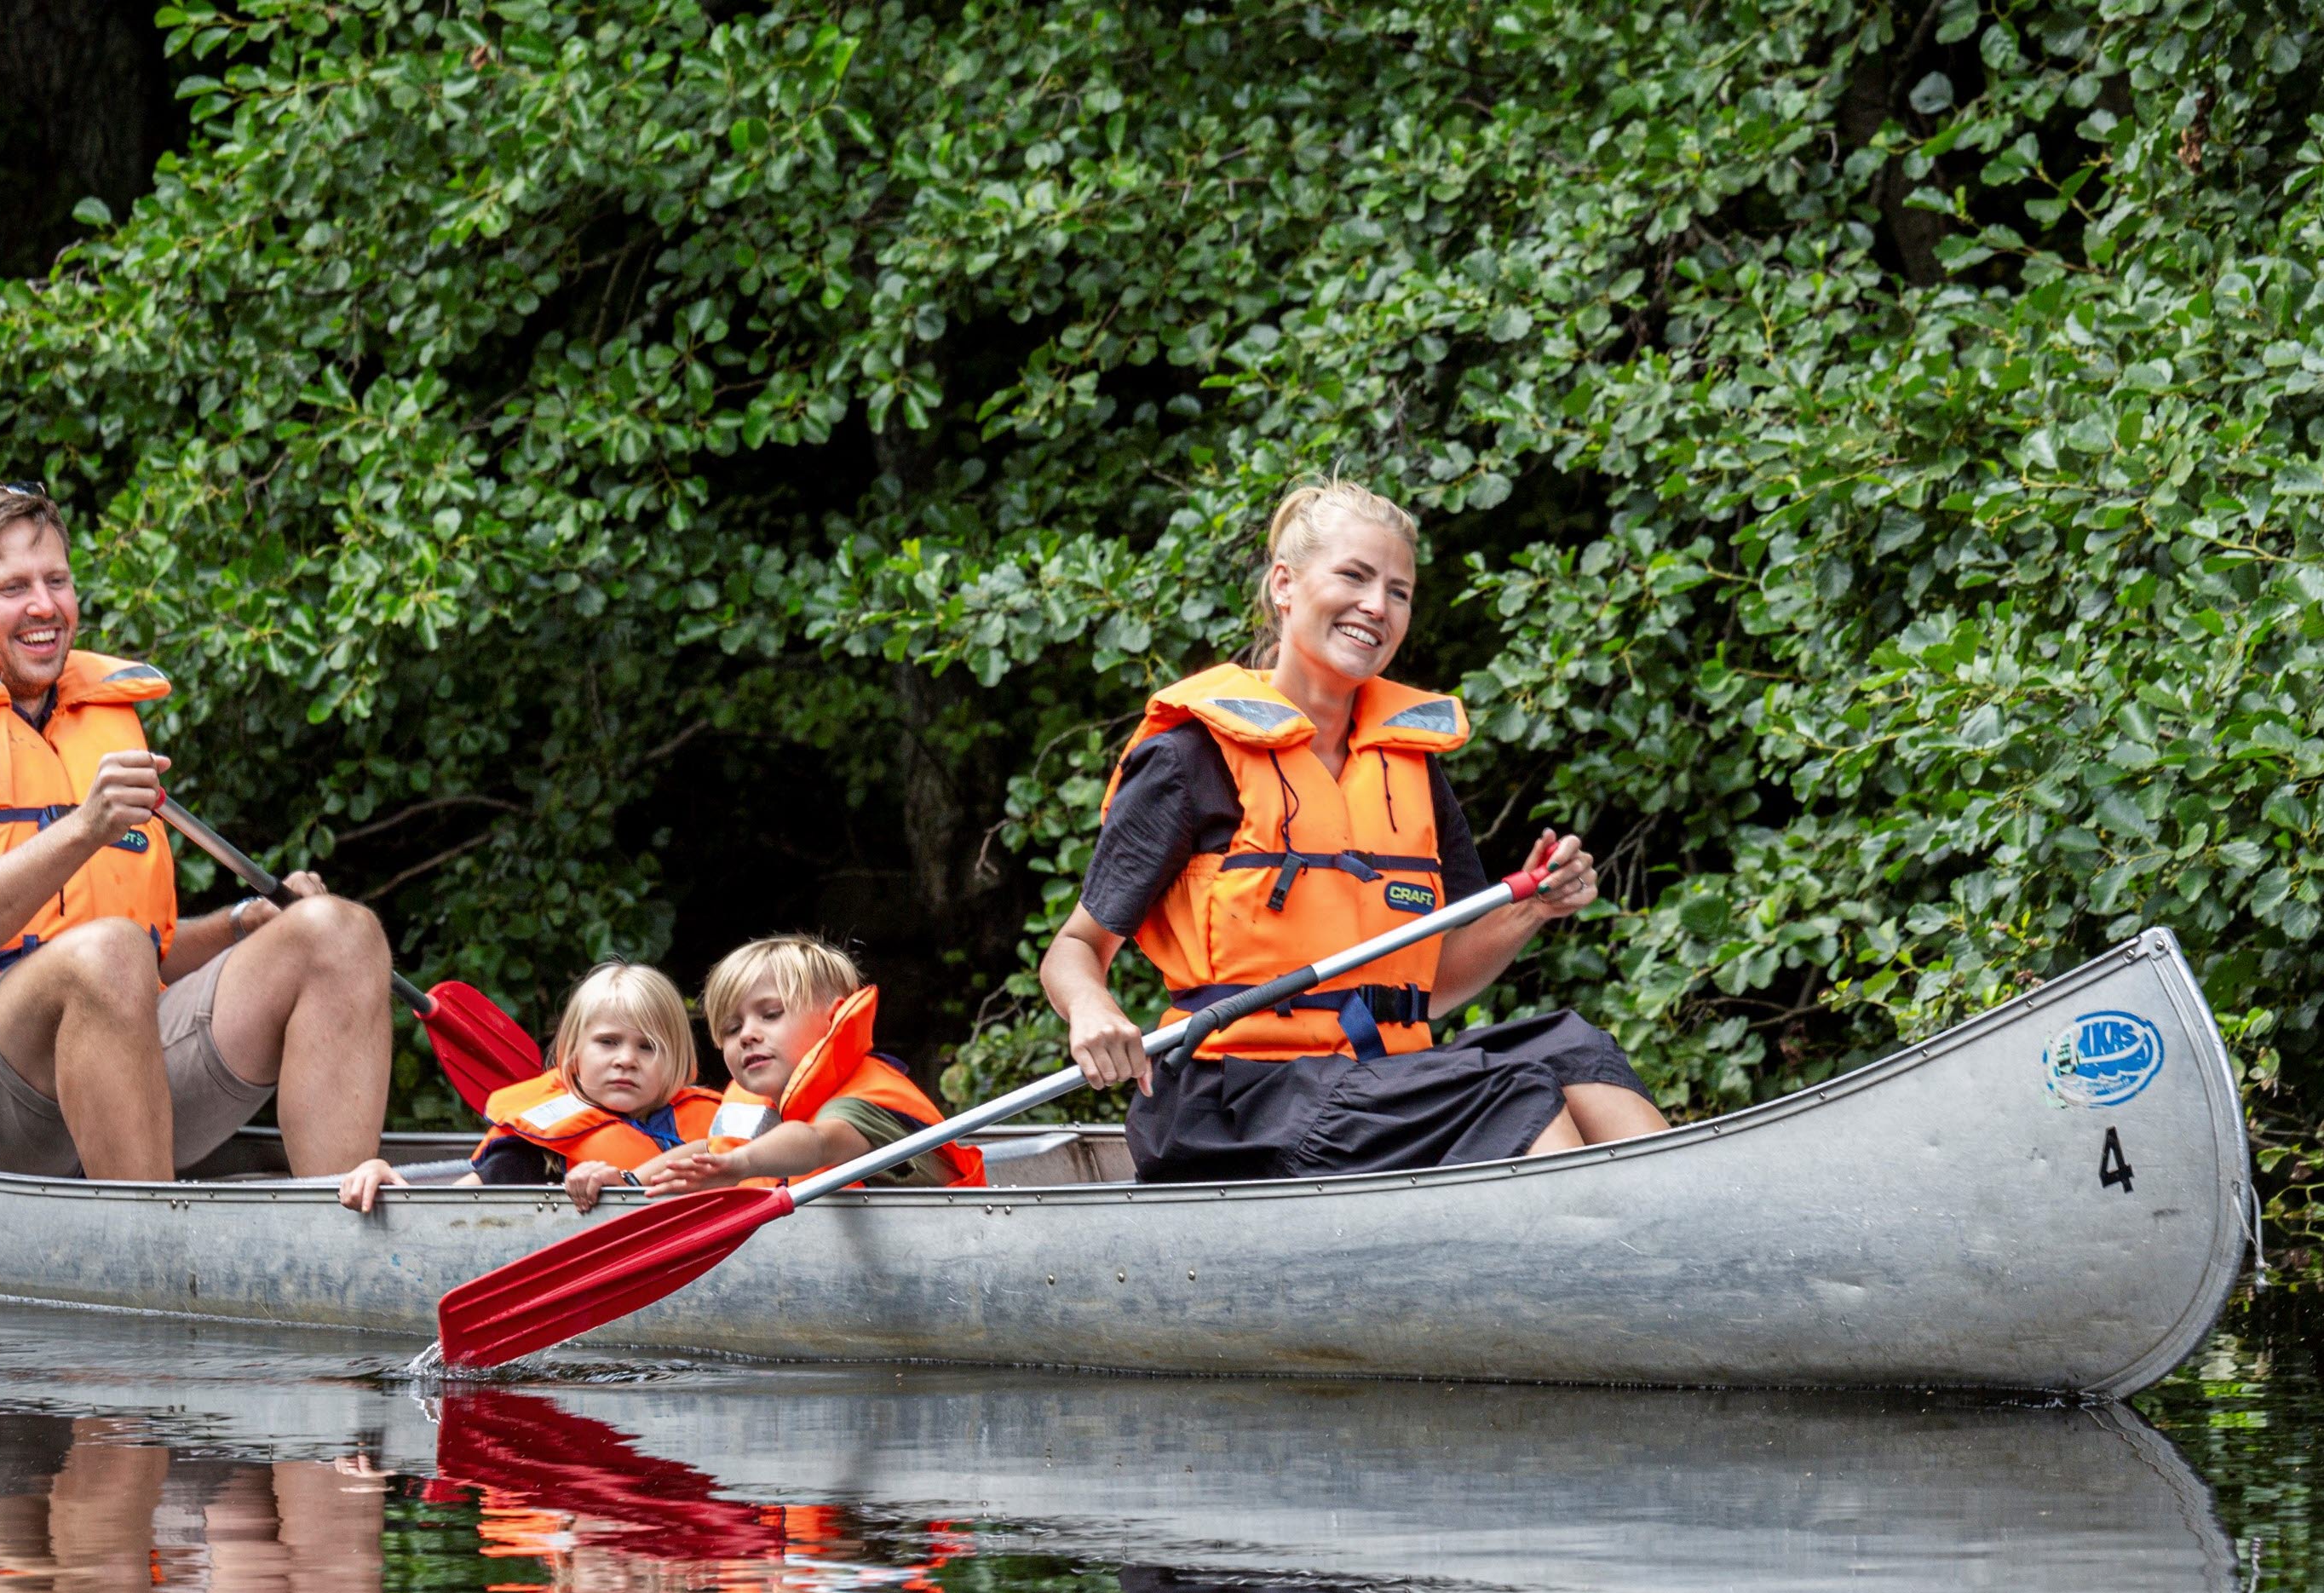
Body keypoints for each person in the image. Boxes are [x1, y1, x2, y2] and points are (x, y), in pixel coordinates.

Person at [1039, 479, 1667, 1182]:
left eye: (1398, 591)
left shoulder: (1409, 766)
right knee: (1503, 1095)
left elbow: (1426, 986)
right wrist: (1091, 1005)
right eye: (1354, 576)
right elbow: (1073, 948)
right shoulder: (1188, 759)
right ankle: (1591, 1267)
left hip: (1379, 1083)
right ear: (1284, 584)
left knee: (1572, 1049)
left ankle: (1680, 1243)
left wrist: (1531, 908)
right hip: (1235, 1098)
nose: (1377, 605)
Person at [0, 480, 396, 1180]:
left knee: (337, 929)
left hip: (112, 1069)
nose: (44, 606)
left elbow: (147, 961)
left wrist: (240, 923)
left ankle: (342, 1230)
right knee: (102, 955)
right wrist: (84, 829)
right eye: (13, 587)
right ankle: (145, 1254)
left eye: (57, 580)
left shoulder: (97, 719)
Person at [337, 961, 720, 1214]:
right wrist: (384, 1176)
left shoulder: (717, 1125)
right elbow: (441, 1213)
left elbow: (745, 1160)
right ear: (572, 1055)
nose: (626, 1059)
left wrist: (632, 1179)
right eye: (607, 1042)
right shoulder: (535, 1152)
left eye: (647, 1046)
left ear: (680, 1064)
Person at [636, 936, 987, 1194]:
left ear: (833, 1019)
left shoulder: (861, 1105)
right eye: (732, 1028)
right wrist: (631, 1182)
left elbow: (817, 1142)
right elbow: (714, 1151)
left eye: (771, 1015)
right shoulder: (758, 1102)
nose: (747, 1035)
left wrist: (741, 1164)